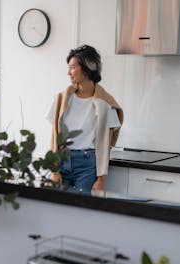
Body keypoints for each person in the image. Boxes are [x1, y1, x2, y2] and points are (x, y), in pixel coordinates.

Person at [47, 45, 124, 192]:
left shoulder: (106, 103)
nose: (68, 72)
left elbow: (105, 146)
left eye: (72, 67)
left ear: (87, 68)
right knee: (56, 208)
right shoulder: (62, 99)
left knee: (83, 211)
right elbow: (54, 137)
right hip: (61, 162)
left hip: (87, 166)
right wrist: (54, 171)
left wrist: (101, 179)